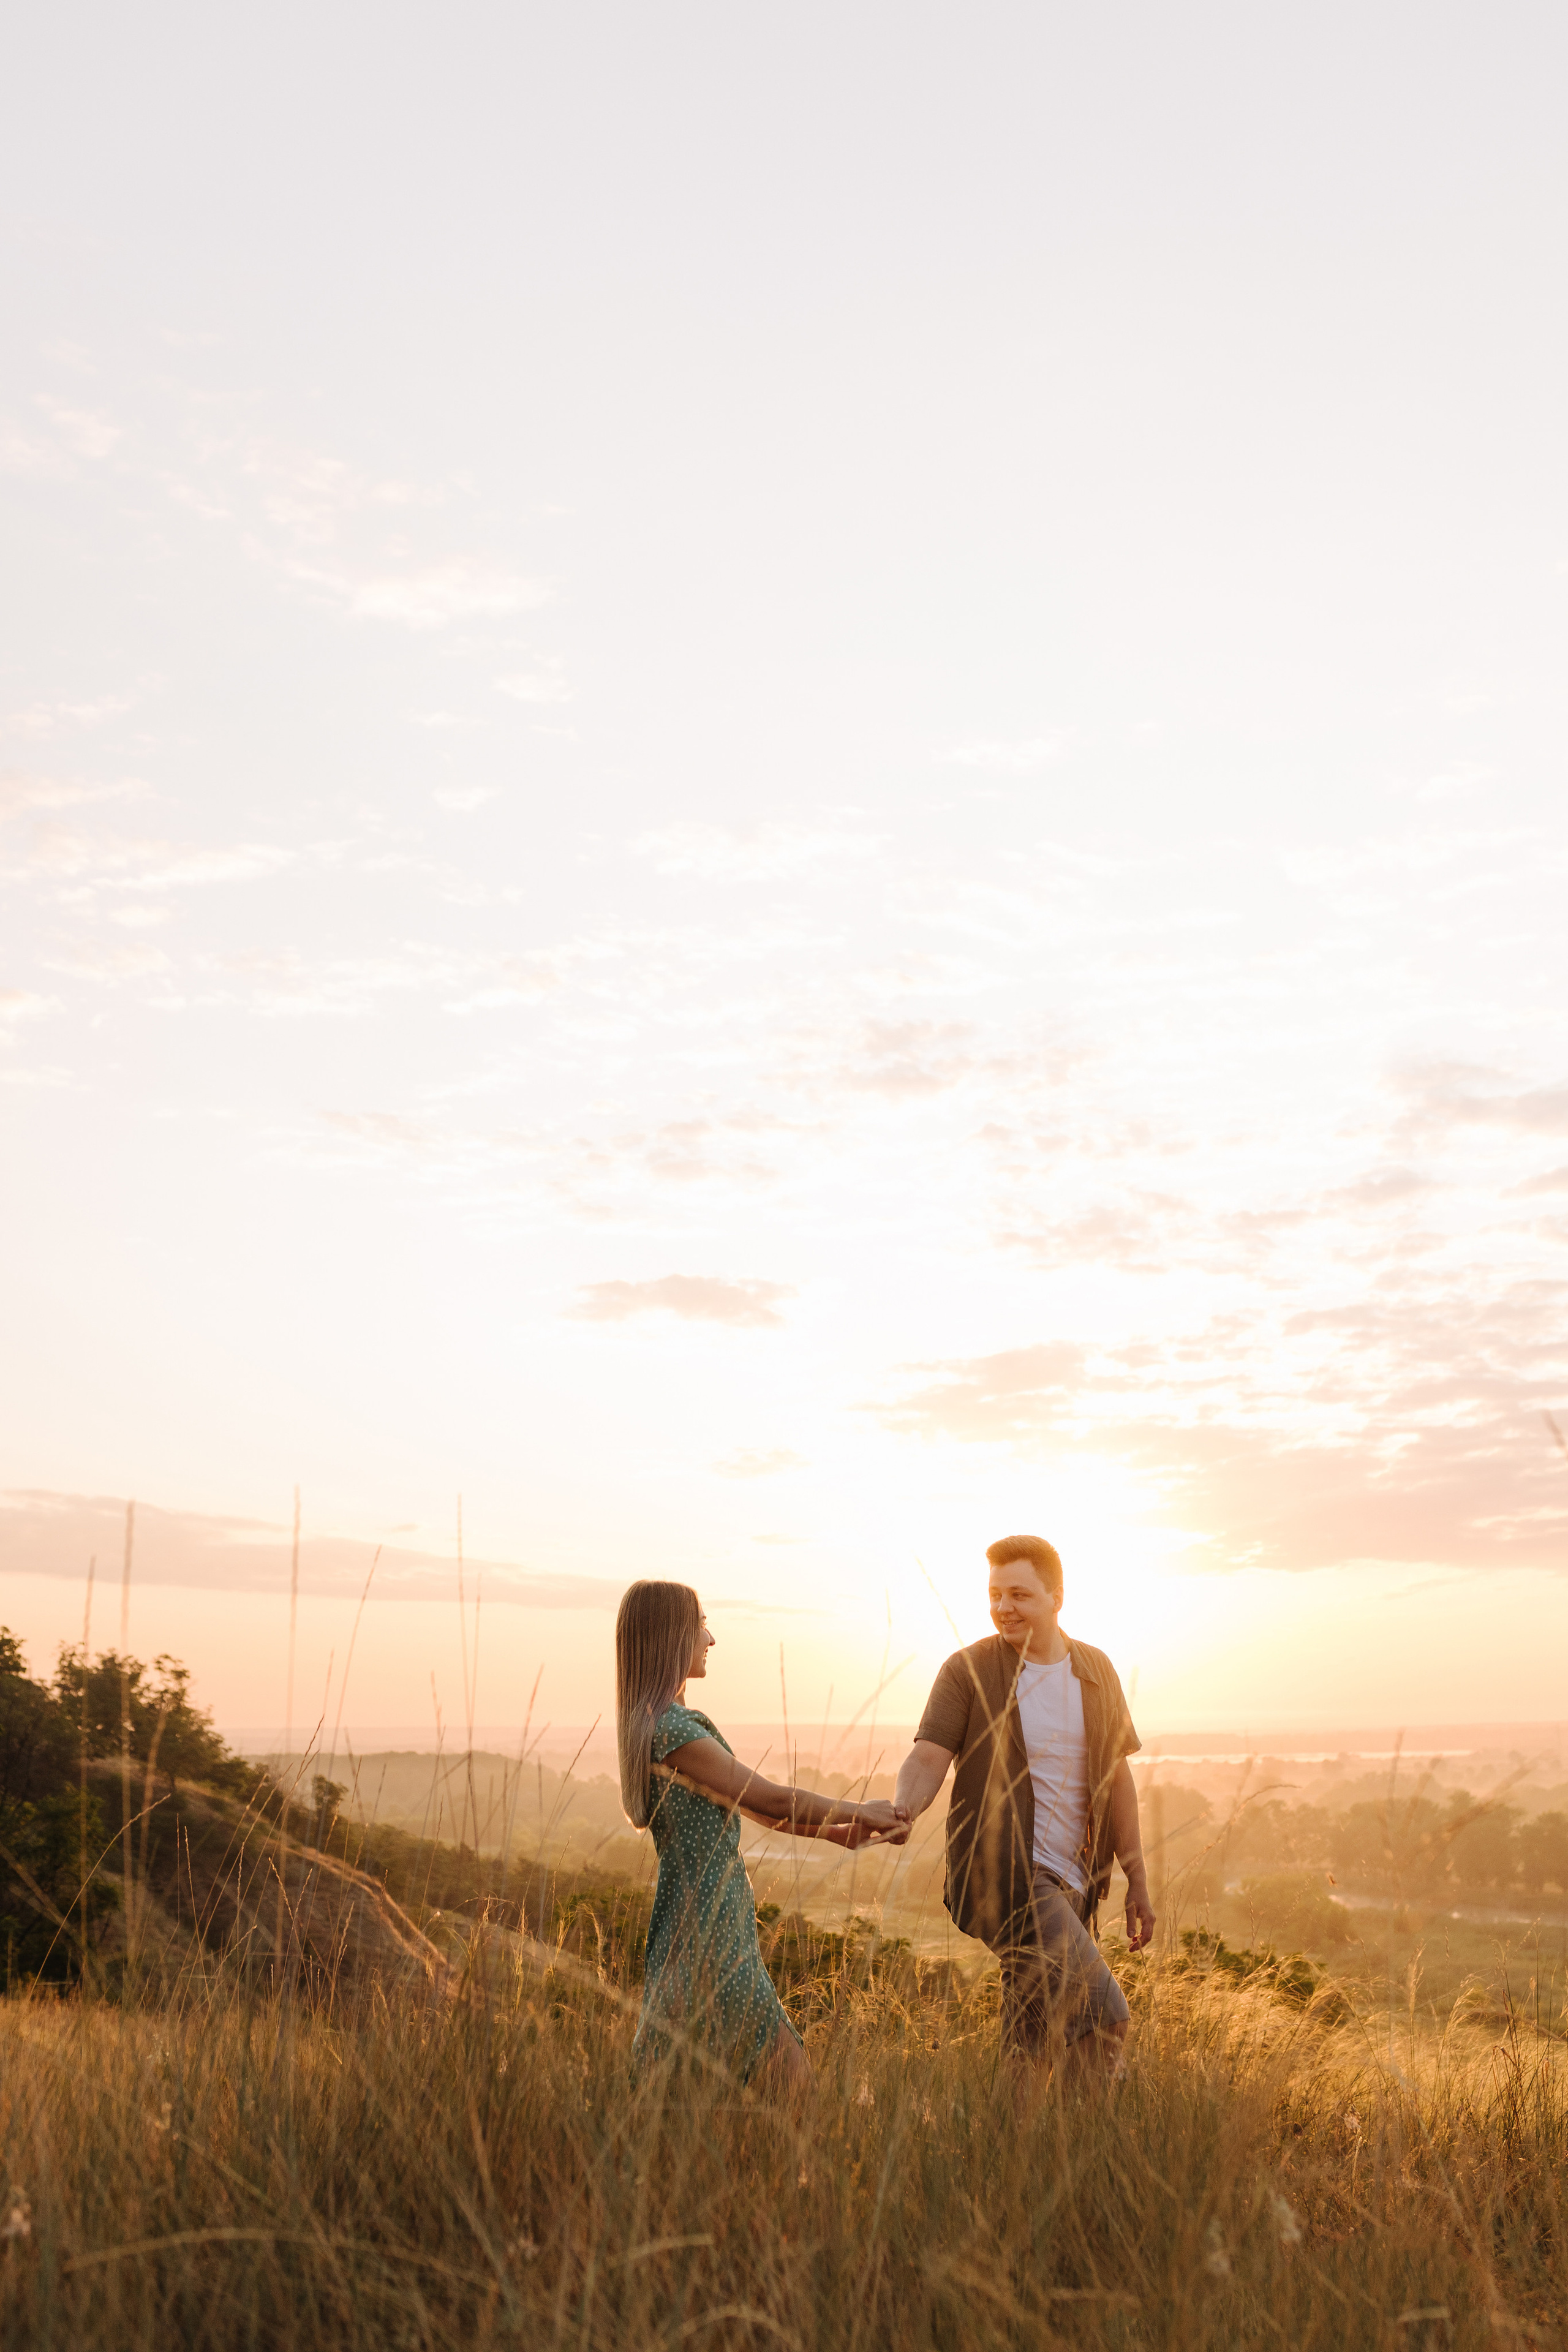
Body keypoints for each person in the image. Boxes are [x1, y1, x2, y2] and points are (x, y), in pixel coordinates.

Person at [616, 1578, 907, 2090]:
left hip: (710, 1920)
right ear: (671, 1636)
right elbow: (770, 1798)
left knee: (699, 2085)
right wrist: (864, 1807)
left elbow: (761, 1813)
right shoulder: (674, 1729)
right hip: (709, 1927)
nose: (710, 1640)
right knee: (792, 2088)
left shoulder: (661, 1724)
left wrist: (838, 1833)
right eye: (702, 1625)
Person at [893, 1534, 1154, 2079]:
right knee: (1104, 2016)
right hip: (1002, 1875)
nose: (1002, 1608)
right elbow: (928, 1756)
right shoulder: (969, 1671)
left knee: (1032, 2038)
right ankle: (1089, 2147)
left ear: (1057, 1598)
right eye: (994, 1595)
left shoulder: (1096, 1670)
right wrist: (903, 1810)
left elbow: (1117, 1775)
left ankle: (1012, 2149)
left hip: (1075, 1878)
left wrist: (1137, 1875)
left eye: (1019, 1594)